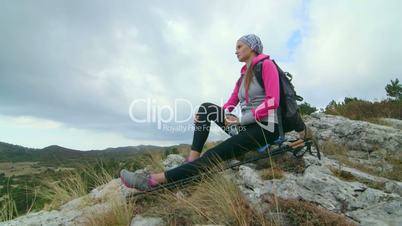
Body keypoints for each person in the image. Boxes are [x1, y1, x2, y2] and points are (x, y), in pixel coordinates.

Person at [120, 34, 306, 191]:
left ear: (252, 47)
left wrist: (241, 120)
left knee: (213, 156)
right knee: (206, 108)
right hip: (246, 127)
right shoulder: (243, 76)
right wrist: (210, 115)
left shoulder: (266, 66)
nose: (236, 50)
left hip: (265, 130)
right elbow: (231, 102)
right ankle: (191, 161)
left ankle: (152, 181)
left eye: (239, 46)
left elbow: (273, 101)